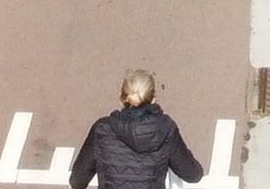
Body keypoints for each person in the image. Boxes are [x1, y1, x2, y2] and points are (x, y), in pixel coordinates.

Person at [68, 71, 203, 189]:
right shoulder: (166, 129)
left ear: (123, 97)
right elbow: (192, 174)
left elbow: (77, 181)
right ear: (153, 99)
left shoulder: (101, 129)